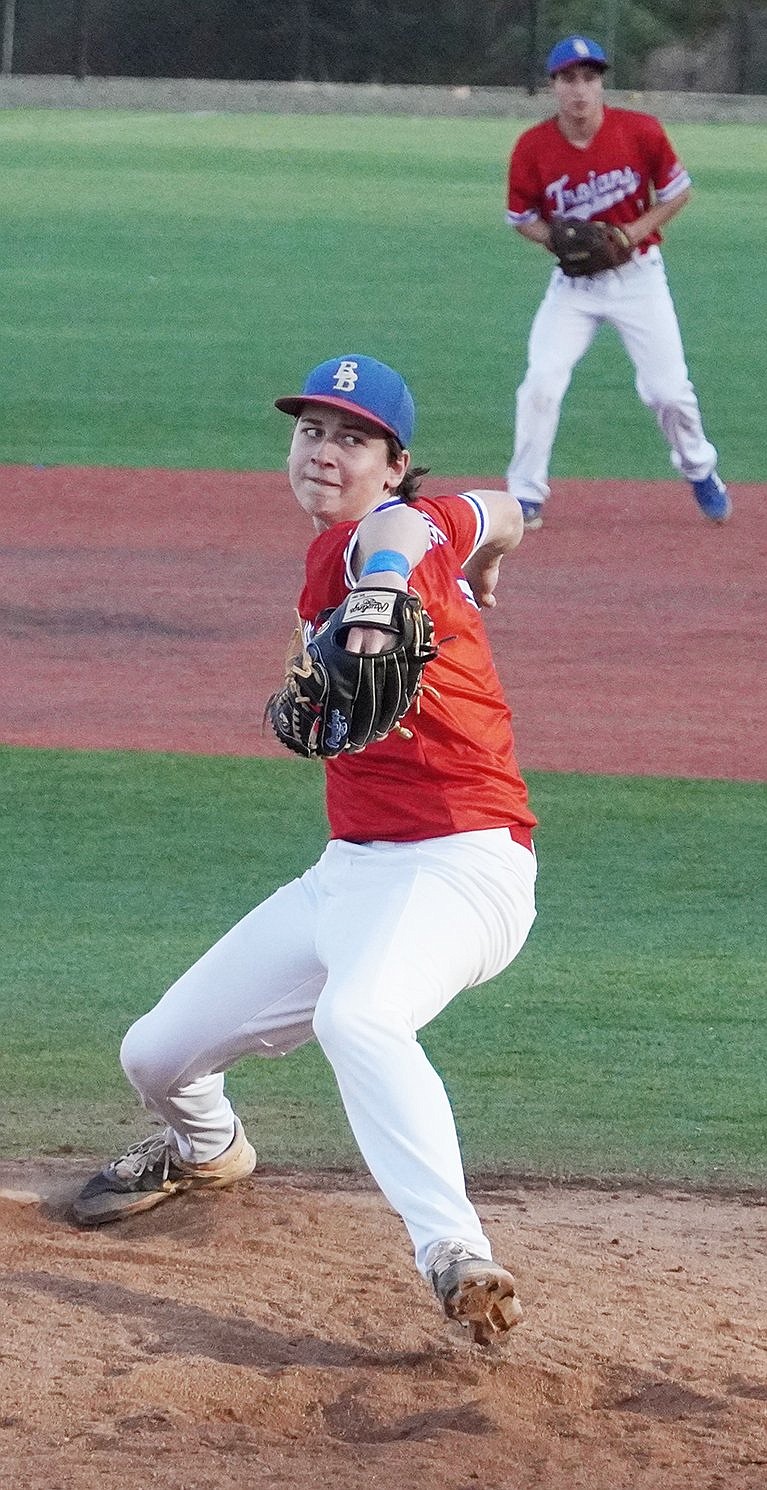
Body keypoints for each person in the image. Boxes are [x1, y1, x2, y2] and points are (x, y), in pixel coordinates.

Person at [71, 353, 538, 1345]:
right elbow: (500, 506)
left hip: (464, 862)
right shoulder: (346, 553)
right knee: (154, 1053)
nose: (324, 450)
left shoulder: (389, 534)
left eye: (351, 437)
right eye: (311, 430)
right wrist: (487, 560)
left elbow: (412, 525)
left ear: (391, 462)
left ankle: (452, 1251)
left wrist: (377, 590)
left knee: (357, 1016)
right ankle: (209, 1148)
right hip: (350, 872)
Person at [505, 33, 731, 531]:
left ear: (602, 83)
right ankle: (524, 494)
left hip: (639, 278)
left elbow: (678, 191)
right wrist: (557, 241)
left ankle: (700, 469)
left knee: (668, 391)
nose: (580, 89)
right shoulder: (533, 147)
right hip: (573, 288)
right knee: (541, 381)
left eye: (589, 77)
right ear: (553, 85)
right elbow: (521, 216)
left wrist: (631, 233)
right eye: (569, 78)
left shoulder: (641, 131)